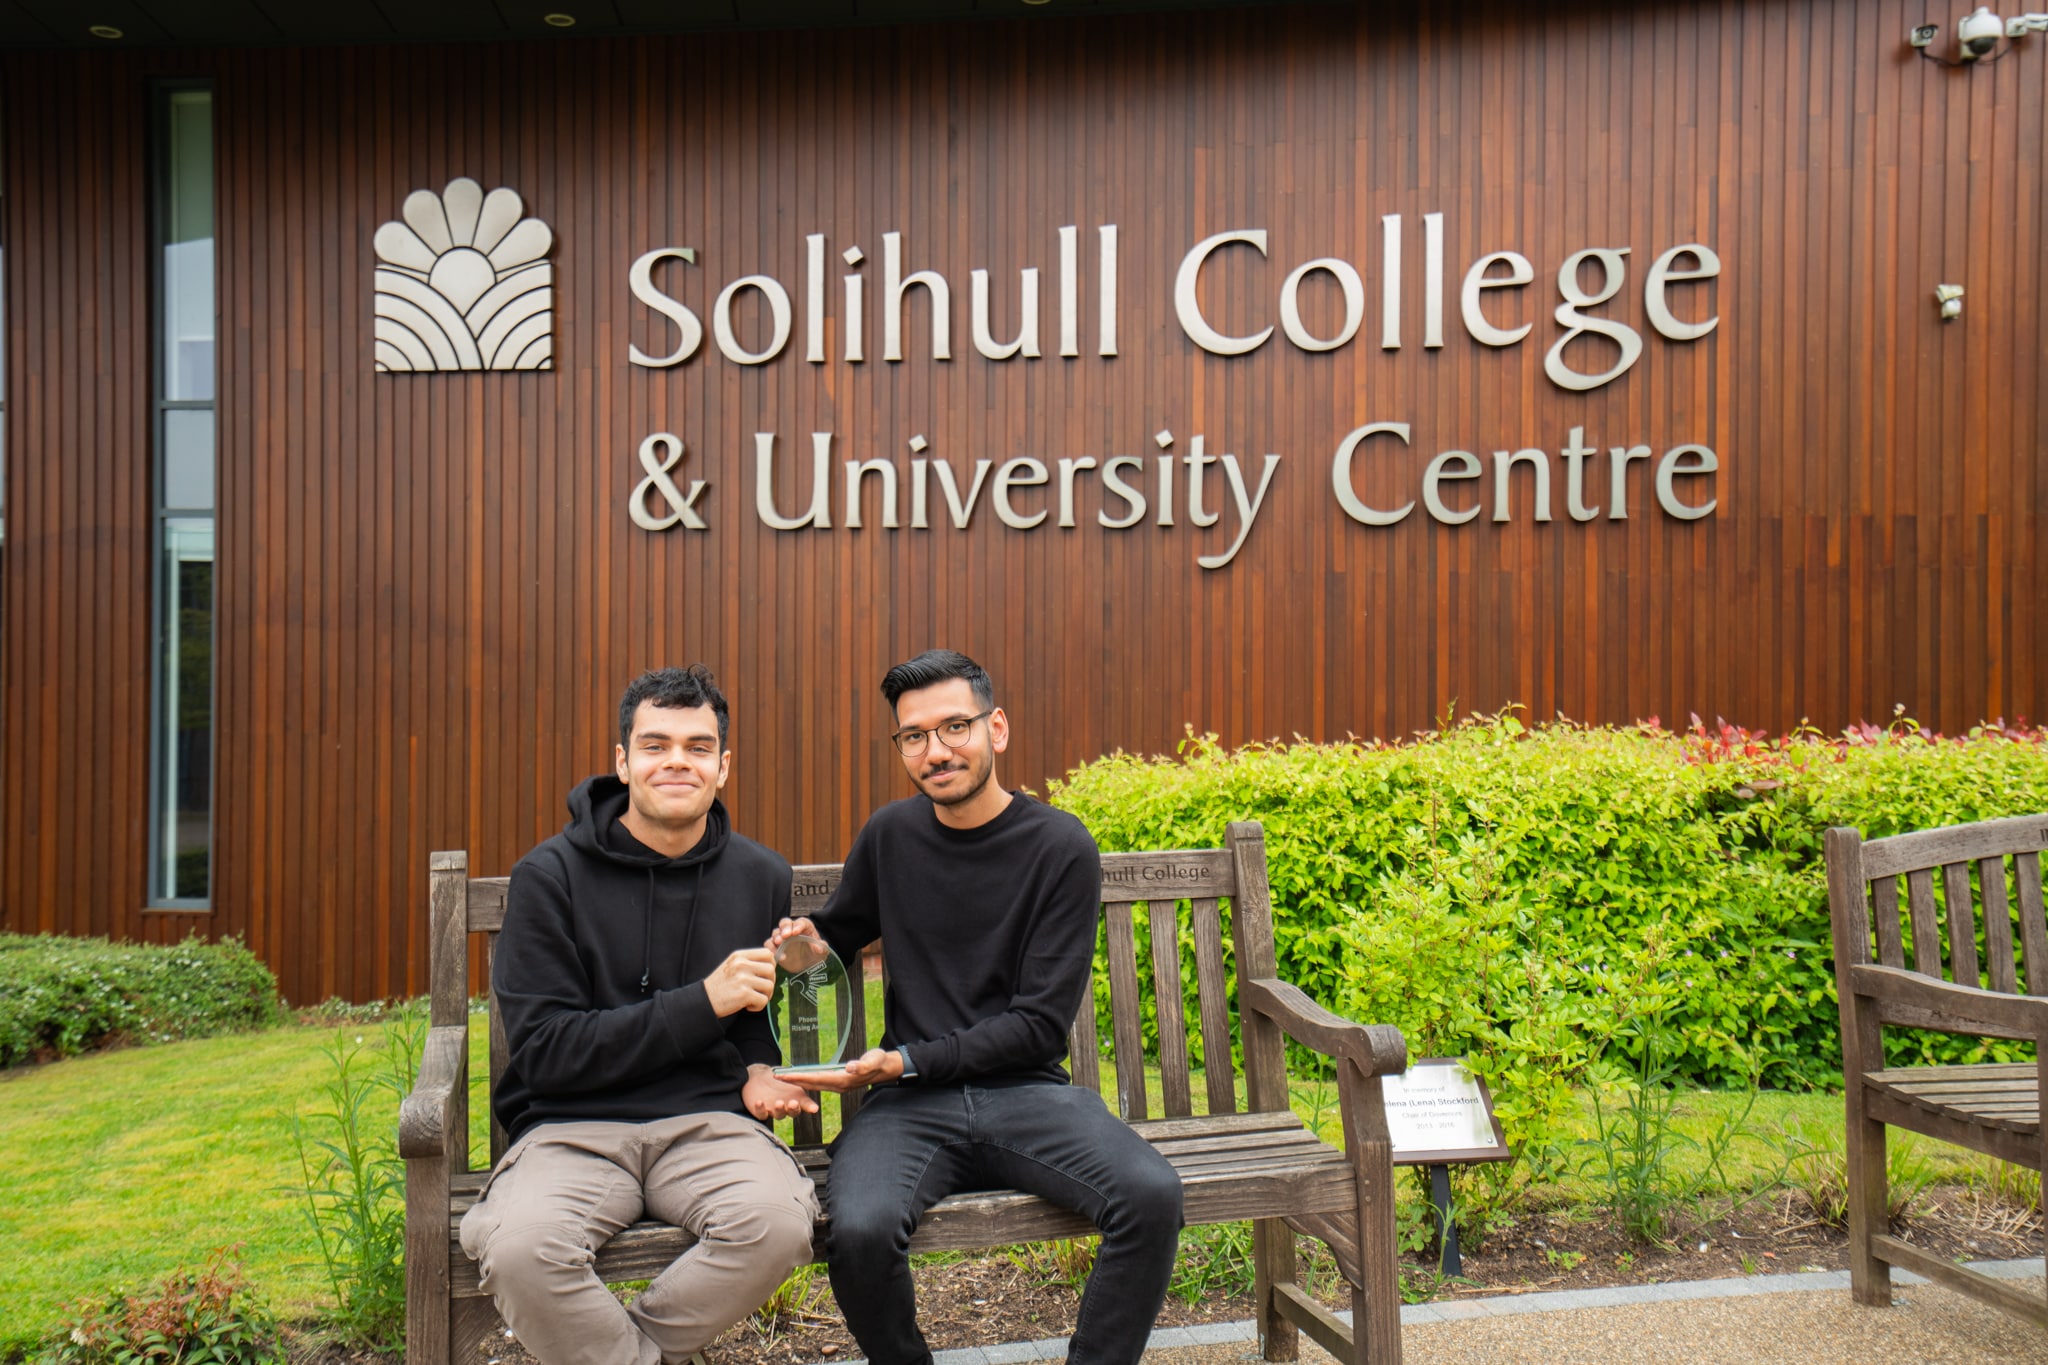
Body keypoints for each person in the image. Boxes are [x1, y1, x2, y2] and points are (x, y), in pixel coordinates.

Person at [774, 649, 1183, 1365]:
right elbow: (833, 938)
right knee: (859, 1229)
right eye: (914, 735)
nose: (936, 750)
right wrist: (796, 945)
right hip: (908, 1109)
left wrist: (903, 1059)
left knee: (1150, 1195)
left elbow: (1037, 1026)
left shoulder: (1060, 847)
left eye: (954, 726)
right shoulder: (890, 836)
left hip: (1026, 1095)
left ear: (996, 728)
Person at [459, 665, 820, 1365]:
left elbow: (752, 1009)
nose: (677, 760)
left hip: (709, 1122)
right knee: (520, 1247)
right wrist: (701, 1001)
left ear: (724, 766)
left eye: (697, 745)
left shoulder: (760, 873)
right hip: (571, 1126)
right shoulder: (548, 877)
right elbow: (548, 1052)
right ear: (623, 761)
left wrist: (758, 1063)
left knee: (778, 1223)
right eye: (656, 745)